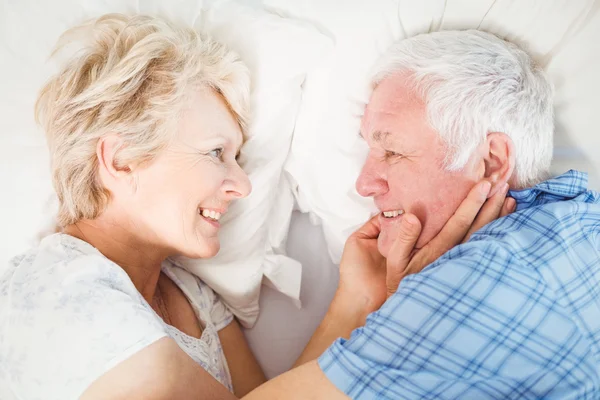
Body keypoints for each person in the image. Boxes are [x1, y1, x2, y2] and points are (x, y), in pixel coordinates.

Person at [0, 14, 511, 400]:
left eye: (238, 158)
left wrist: (358, 296)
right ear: (122, 158)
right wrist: (404, 316)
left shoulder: (193, 294)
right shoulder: (63, 292)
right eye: (215, 153)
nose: (242, 185)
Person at [242, 31, 600, 398]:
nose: (364, 184)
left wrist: (399, 302)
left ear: (492, 162)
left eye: (393, 152)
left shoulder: (466, 283)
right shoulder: (582, 223)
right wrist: (365, 298)